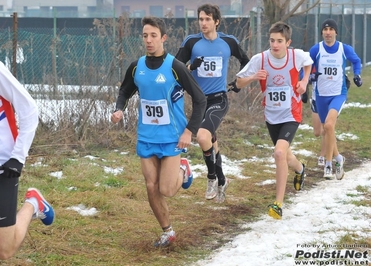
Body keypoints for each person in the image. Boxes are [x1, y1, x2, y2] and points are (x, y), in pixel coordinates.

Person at [110, 16, 206, 247]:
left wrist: (189, 132)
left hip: (172, 137)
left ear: (163, 38)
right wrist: (119, 109)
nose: (149, 40)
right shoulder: (137, 66)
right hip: (146, 136)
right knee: (151, 186)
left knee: (167, 189)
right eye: (145, 36)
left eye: (153, 36)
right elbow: (125, 91)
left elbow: (201, 100)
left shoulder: (175, 67)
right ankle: (167, 231)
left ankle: (183, 171)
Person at [0, 11, 54, 265]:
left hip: (1, 170)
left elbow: (29, 109)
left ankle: (33, 203)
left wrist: (18, 157)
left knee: (2, 250)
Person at [234, 21, 313, 219]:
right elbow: (238, 82)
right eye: (271, 40)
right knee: (285, 155)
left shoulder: (296, 56)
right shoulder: (260, 59)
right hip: (271, 115)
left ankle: (278, 203)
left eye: (279, 41)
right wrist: (253, 77)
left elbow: (309, 62)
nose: (275, 45)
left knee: (278, 152)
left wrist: (304, 81)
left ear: (288, 42)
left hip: (291, 113)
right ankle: (301, 169)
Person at [175, 3, 249, 203]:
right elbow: (175, 68)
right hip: (199, 100)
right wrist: (190, 66)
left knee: (202, 136)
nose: (203, 23)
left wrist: (238, 82)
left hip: (219, 98)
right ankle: (223, 180)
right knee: (210, 142)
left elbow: (246, 61)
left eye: (207, 19)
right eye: (200, 19)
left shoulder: (228, 41)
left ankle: (211, 178)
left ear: (216, 21)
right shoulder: (191, 42)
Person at [309, 18, 362, 180]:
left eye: (331, 29)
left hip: (338, 93)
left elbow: (356, 61)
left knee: (330, 125)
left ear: (336, 32)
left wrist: (357, 74)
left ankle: (328, 164)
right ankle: (338, 157)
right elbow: (305, 68)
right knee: (326, 129)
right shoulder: (316, 49)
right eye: (325, 30)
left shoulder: (343, 49)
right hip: (321, 95)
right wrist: (309, 76)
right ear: (322, 33)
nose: (328, 32)